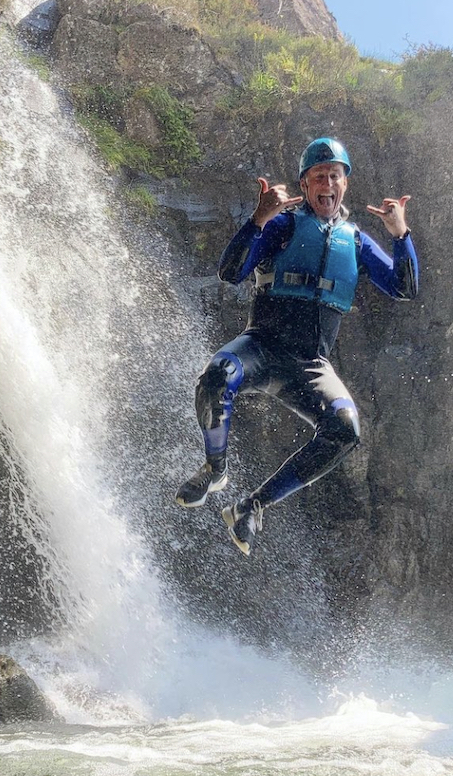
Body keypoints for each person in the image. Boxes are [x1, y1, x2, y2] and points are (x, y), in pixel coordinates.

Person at [175, 137, 419, 555]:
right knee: (216, 377)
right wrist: (258, 220)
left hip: (310, 366)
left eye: (335, 176)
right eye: (318, 176)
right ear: (305, 186)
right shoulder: (284, 226)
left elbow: (405, 287)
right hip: (261, 347)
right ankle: (216, 469)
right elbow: (230, 273)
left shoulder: (356, 241)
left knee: (345, 430)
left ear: (344, 185)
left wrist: (400, 235)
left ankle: (252, 506)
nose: (327, 183)